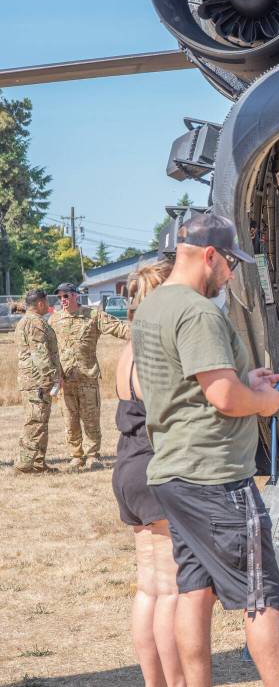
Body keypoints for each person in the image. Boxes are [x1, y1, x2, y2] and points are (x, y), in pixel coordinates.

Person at [132, 213, 279, 686]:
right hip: (216, 477)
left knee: (194, 589)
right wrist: (264, 402)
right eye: (230, 264)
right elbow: (222, 397)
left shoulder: (153, 307)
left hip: (173, 473)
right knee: (261, 596)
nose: (231, 275)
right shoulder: (199, 312)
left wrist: (245, 380)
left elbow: (191, 385)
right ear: (209, 256)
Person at [113, 259, 185, 687]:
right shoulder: (154, 348)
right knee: (173, 589)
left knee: (149, 587)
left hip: (128, 465)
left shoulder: (128, 347)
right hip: (155, 467)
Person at [50, 281, 131, 470]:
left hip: (87, 378)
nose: (63, 300)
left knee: (91, 419)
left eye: (66, 296)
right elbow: (49, 347)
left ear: (75, 295)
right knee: (70, 420)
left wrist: (139, 334)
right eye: (60, 297)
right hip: (65, 380)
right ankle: (76, 456)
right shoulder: (54, 320)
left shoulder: (93, 315)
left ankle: (93, 455)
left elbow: (118, 327)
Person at [14, 289, 62, 474]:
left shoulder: (27, 321)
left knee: (41, 421)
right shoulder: (35, 323)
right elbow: (39, 354)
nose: (48, 305)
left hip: (35, 381)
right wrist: (52, 377)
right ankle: (24, 465)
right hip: (38, 382)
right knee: (35, 422)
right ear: (40, 303)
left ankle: (38, 463)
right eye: (47, 302)